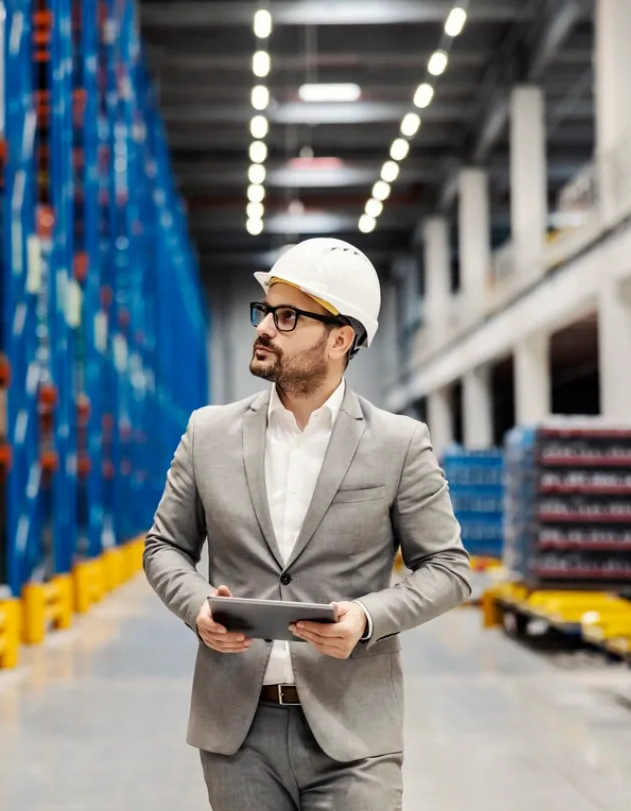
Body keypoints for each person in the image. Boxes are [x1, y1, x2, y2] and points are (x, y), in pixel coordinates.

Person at [142, 237, 472, 810]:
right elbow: (165, 546)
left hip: (354, 734)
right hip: (236, 731)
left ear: (341, 338)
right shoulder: (208, 434)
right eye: (265, 311)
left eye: (288, 316)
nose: (266, 327)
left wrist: (369, 617)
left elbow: (448, 568)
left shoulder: (398, 443)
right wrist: (197, 604)